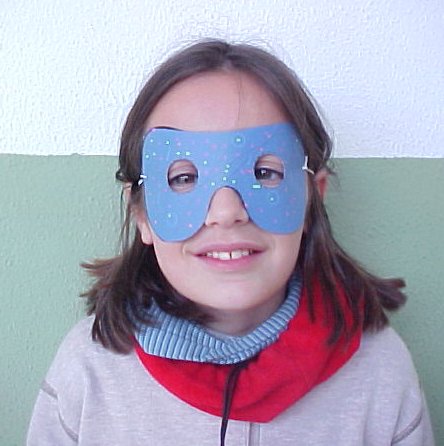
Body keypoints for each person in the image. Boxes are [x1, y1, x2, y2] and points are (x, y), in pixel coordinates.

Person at [27, 39, 435, 445]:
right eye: (184, 178)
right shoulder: (87, 372)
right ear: (142, 216)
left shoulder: (380, 373)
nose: (226, 211)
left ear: (312, 198)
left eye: (264, 173)